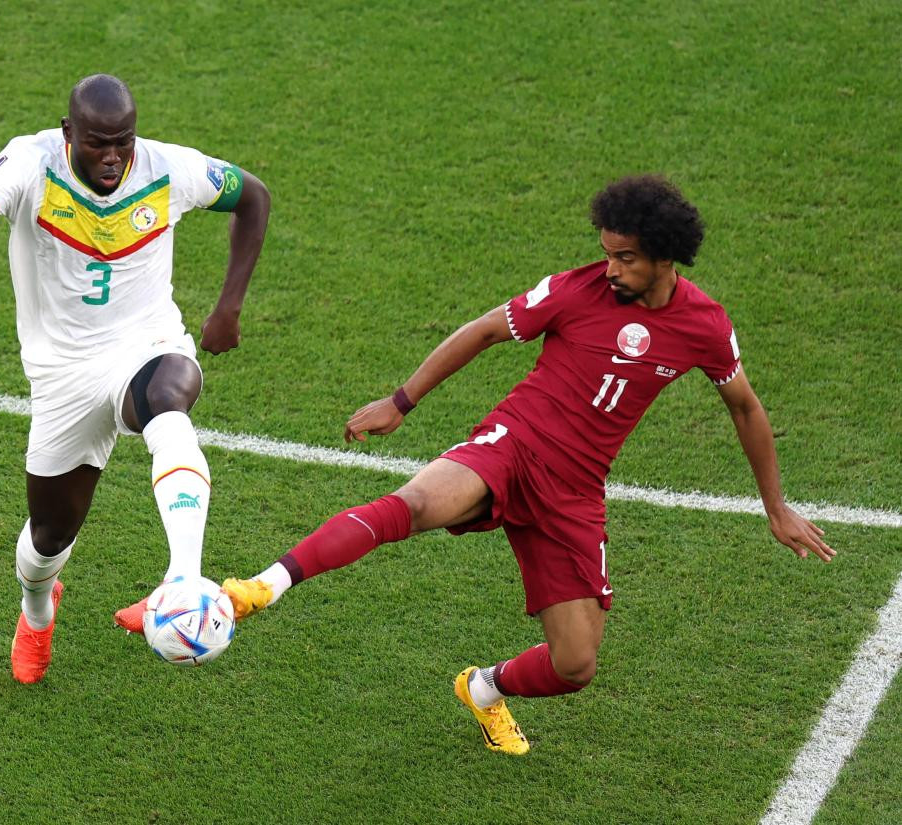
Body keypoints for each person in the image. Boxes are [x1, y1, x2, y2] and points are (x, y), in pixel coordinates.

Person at [220, 175, 832, 755]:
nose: (610, 268)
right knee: (412, 506)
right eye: (607, 253)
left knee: (575, 665)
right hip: (513, 446)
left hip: (575, 493)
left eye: (624, 258)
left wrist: (775, 509)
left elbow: (746, 408)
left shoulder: (704, 325)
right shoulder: (575, 290)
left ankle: (482, 689)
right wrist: (400, 401)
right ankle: (257, 590)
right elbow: (484, 331)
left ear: (665, 256)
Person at [0, 74, 271, 684]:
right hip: (62, 374)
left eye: (123, 142)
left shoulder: (168, 168)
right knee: (49, 537)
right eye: (97, 143)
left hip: (146, 343)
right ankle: (36, 613)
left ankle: (182, 580)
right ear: (68, 133)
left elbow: (254, 197)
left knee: (170, 399)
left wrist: (229, 307)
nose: (112, 157)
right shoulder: (30, 163)